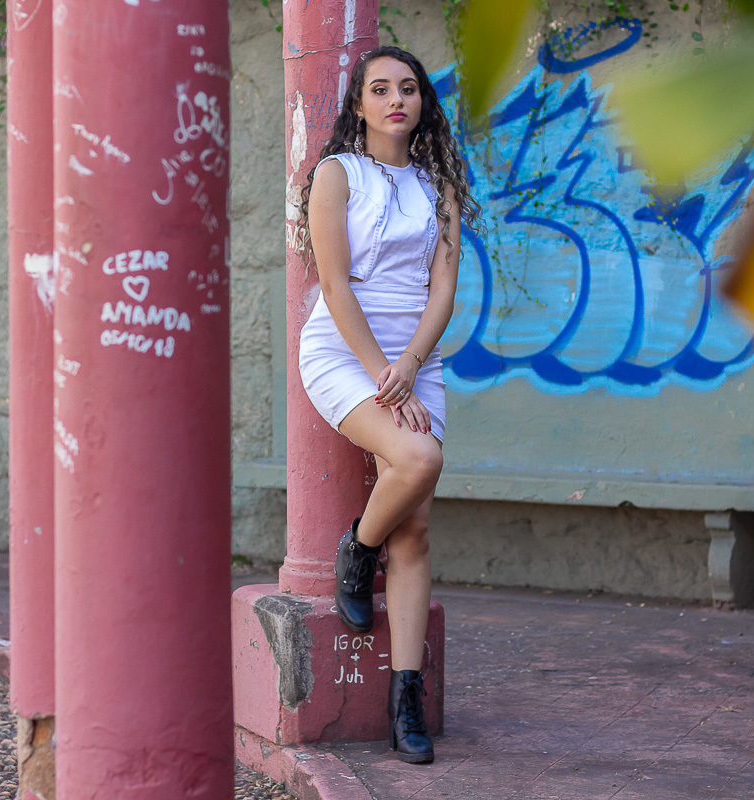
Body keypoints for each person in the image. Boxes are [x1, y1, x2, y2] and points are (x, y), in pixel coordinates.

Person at [293, 45, 480, 764]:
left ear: (422, 103)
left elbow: (443, 292)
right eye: (380, 89)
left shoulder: (440, 185)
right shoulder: (336, 175)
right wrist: (381, 374)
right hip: (346, 354)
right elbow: (335, 286)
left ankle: (405, 700)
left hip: (414, 359)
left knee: (418, 532)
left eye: (408, 88)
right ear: (360, 105)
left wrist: (409, 368)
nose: (396, 99)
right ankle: (357, 547)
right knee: (419, 455)